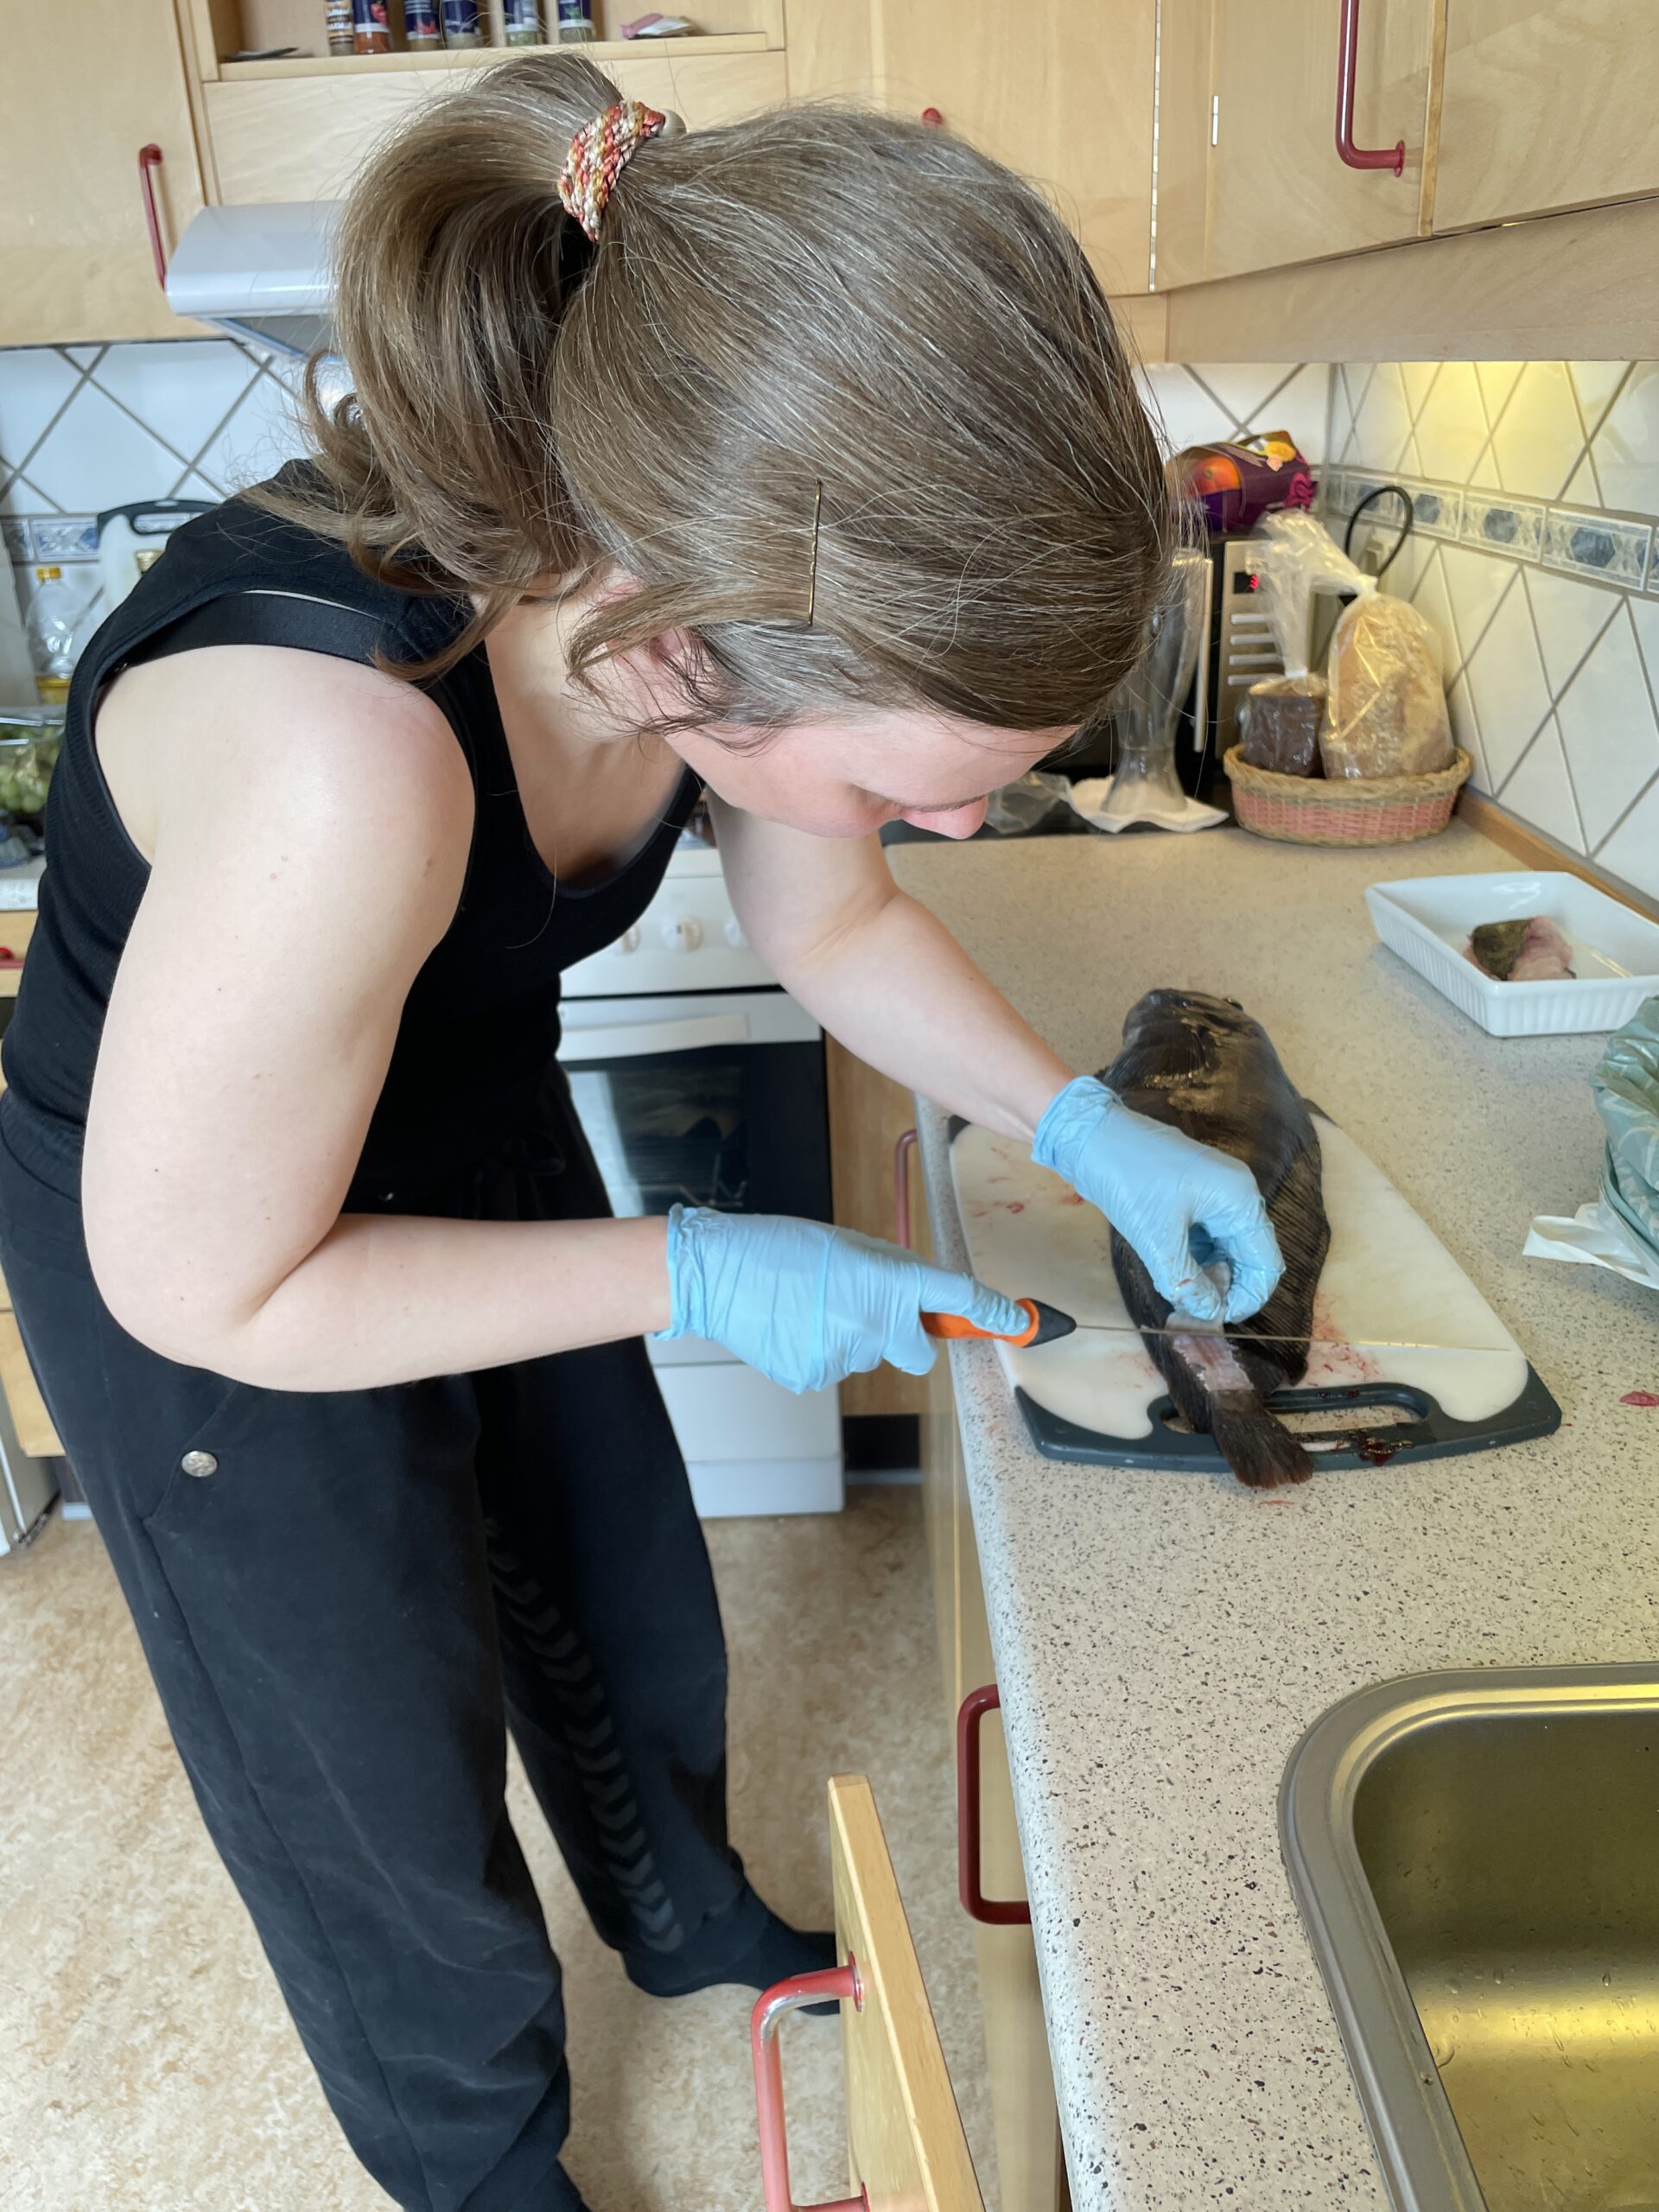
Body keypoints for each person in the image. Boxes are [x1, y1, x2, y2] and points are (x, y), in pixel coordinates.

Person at [0, 56, 1282, 2212]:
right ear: (685, 655)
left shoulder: (667, 571)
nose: (962, 826)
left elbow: (832, 911)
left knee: (614, 1571)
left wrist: (1077, 1113)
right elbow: (213, 1276)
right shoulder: (344, 762)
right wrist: (696, 1260)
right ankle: (489, 2160)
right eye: (920, 779)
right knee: (372, 1755)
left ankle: (683, 1914)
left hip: (463, 1103)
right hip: (202, 1239)